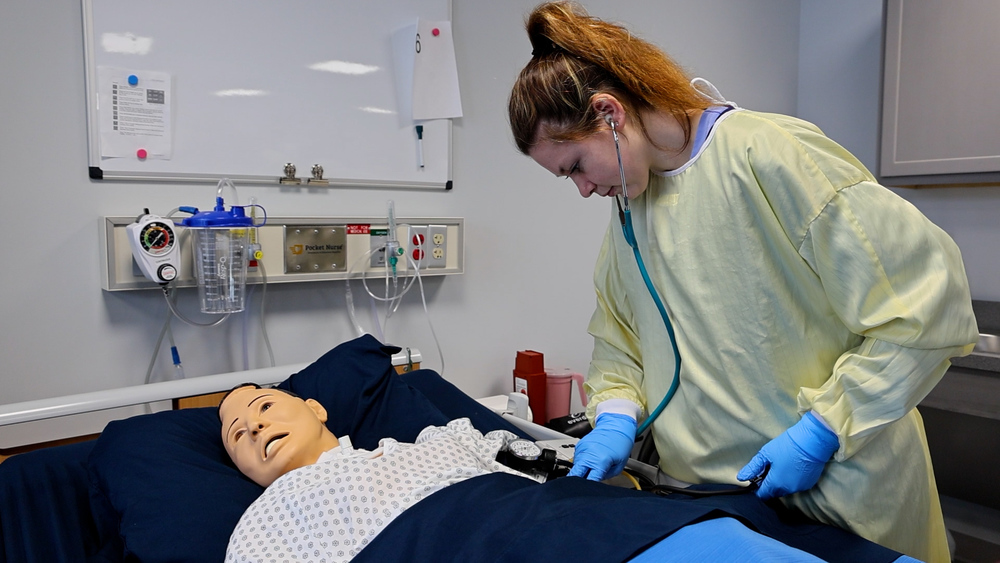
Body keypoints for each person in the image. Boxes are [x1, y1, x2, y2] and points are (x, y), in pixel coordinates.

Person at [506, 2, 978, 562]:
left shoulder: (770, 155)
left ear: (610, 114)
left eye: (576, 167)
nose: (583, 189)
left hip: (839, 493)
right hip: (718, 509)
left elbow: (925, 304)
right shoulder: (633, 208)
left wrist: (821, 431)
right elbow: (622, 340)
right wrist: (612, 417)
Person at [218, 383, 907, 563]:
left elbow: (541, 475)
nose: (251, 425)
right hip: (447, 543)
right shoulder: (263, 522)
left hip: (555, 520)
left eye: (261, 404)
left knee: (727, 530)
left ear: (313, 406)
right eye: (235, 432)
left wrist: (593, 460)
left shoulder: (442, 436)